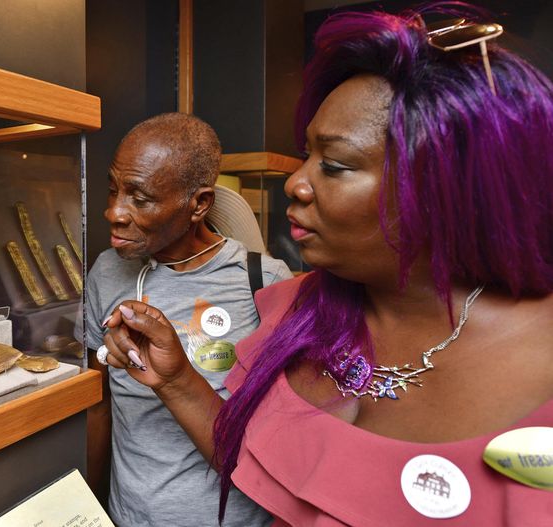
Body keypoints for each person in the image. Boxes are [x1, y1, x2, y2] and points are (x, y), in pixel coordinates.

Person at [100, 5, 553, 526]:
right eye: (306, 156)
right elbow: (255, 470)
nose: (296, 182)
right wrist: (177, 379)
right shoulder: (294, 312)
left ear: (446, 189)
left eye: (334, 166)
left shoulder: (539, 356)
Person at [82, 112, 291, 526]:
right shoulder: (107, 272)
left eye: (139, 199)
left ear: (198, 204)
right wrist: (91, 504)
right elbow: (98, 404)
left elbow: (281, 442)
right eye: (113, 191)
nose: (114, 213)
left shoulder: (263, 283)